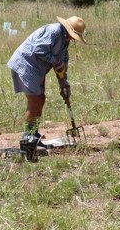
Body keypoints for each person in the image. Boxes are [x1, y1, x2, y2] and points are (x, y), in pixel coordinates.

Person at [7, 15, 87, 160]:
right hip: (26, 64)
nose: (73, 39)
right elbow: (38, 49)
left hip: (37, 69)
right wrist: (56, 61)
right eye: (73, 35)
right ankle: (28, 139)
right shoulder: (54, 31)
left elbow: (62, 66)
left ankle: (33, 134)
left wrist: (64, 84)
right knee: (35, 101)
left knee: (41, 99)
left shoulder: (65, 42)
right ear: (68, 29)